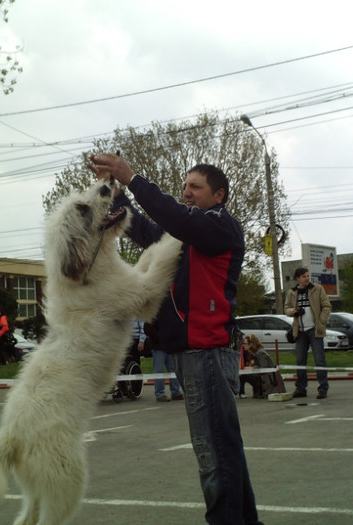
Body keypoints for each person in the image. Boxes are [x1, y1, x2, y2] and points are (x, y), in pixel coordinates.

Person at [88, 154, 263, 525]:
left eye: (194, 187)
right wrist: (116, 192)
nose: (186, 193)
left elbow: (175, 219)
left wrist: (133, 176)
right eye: (184, 186)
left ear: (219, 195)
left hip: (208, 352)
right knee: (223, 449)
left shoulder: (220, 227)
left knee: (213, 454)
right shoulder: (186, 235)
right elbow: (145, 231)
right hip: (194, 354)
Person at [284, 267, 332, 400]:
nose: (307, 278)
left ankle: (323, 388)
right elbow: (286, 308)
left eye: (307, 276)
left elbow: (327, 306)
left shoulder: (317, 289)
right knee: (300, 361)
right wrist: (292, 311)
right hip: (299, 331)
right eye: (304, 276)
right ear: (298, 278)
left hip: (314, 330)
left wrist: (321, 321)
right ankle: (301, 388)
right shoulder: (292, 292)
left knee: (319, 360)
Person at [145, 321, 183, 402]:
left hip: (169, 346)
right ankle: (160, 394)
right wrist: (162, 336)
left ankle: (176, 393)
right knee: (159, 371)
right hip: (158, 347)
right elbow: (147, 329)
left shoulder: (168, 313)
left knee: (173, 370)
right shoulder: (152, 314)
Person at [240, 335, 279, 399]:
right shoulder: (251, 353)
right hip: (264, 377)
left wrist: (252, 368)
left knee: (246, 374)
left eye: (245, 344)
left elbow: (264, 368)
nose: (243, 345)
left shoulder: (261, 353)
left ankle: (260, 392)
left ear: (251, 344)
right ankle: (243, 392)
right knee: (242, 374)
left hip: (269, 380)